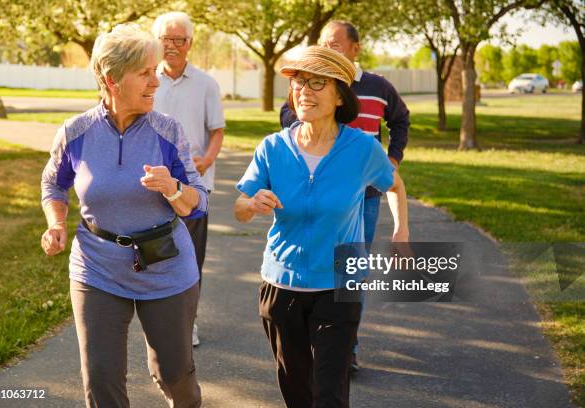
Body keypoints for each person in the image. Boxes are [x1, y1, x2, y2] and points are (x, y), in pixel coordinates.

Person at [40, 23, 207, 408]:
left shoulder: (167, 131)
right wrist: (55, 223)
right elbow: (53, 185)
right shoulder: (75, 132)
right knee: (101, 379)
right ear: (112, 79)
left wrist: (174, 189)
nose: (156, 82)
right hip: (96, 267)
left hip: (166, 266)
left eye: (156, 72)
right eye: (146, 73)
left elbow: (200, 201)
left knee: (175, 376)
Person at [234, 46, 409, 408]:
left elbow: (394, 183)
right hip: (282, 284)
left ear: (340, 95)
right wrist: (251, 205)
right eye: (298, 82)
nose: (303, 91)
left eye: (316, 83)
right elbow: (239, 207)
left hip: (339, 283)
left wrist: (401, 230)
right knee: (297, 390)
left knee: (329, 393)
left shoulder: (361, 148)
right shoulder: (272, 148)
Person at [281, 20, 410, 371]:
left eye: (336, 44)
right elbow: (288, 112)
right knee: (313, 262)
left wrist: (392, 158)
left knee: (348, 271)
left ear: (355, 49)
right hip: (316, 191)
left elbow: (401, 121)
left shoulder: (378, 87)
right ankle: (313, 340)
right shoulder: (309, 82)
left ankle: (344, 347)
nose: (328, 48)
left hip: (364, 197)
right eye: (323, 43)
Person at [152, 11, 226, 347]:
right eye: (165, 39)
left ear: (189, 44)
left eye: (178, 40)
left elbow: (217, 131)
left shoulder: (206, 84)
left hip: (193, 187)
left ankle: (187, 324)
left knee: (190, 258)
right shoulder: (145, 78)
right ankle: (159, 321)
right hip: (152, 183)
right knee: (153, 256)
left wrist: (206, 161)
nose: (171, 46)